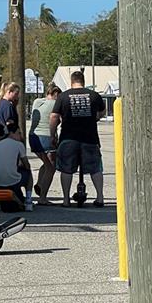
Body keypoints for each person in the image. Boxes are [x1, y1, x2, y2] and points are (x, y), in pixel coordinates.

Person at [51, 70, 107, 207]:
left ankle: (66, 200)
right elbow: (102, 113)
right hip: (90, 137)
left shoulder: (63, 96)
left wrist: (52, 133)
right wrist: (93, 119)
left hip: (68, 137)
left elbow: (54, 116)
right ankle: (100, 198)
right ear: (83, 81)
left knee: (66, 169)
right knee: (95, 168)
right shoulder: (94, 95)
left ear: (71, 81)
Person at [0, 119, 33, 210]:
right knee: (29, 174)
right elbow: (27, 165)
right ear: (11, 133)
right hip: (12, 181)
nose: (20, 136)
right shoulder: (19, 145)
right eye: (18, 133)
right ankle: (29, 200)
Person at [29, 86, 61, 202]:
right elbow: (59, 119)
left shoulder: (37, 102)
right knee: (51, 168)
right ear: (56, 93)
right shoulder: (55, 104)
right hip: (47, 137)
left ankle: (39, 184)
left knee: (46, 164)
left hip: (33, 137)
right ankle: (43, 197)